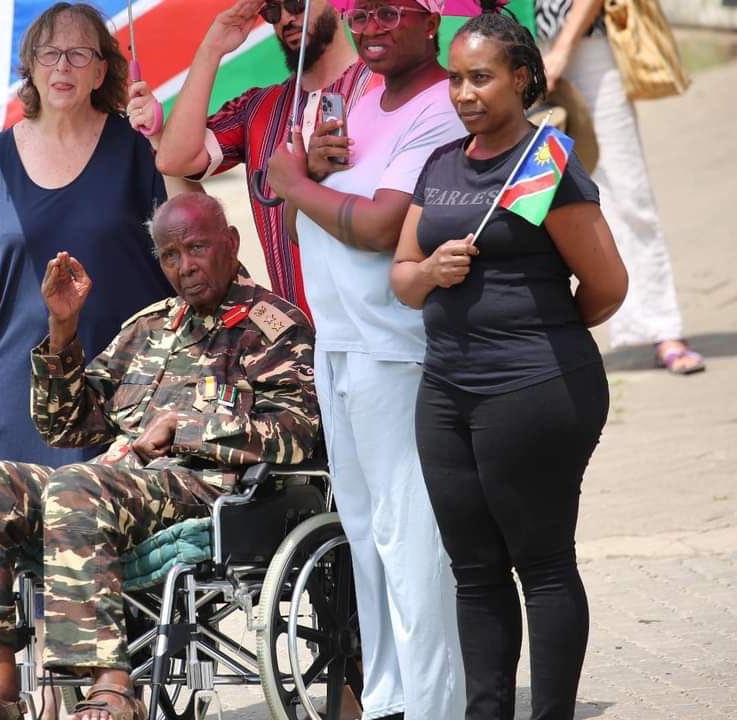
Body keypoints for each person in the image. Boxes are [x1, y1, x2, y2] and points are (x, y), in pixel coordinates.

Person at [0, 192, 321, 720]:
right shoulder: (150, 327)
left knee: (76, 485)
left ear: (231, 243)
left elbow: (299, 432)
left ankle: (111, 687)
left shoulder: (273, 328)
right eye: (171, 256)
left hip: (209, 492)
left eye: (197, 248)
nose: (185, 267)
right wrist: (62, 329)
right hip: (118, 485)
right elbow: (66, 424)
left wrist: (187, 431)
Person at [390, 4, 628, 718]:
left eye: (481, 78)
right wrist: (431, 270)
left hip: (534, 390)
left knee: (543, 565)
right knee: (473, 571)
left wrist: (540, 333)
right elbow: (401, 279)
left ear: (522, 78)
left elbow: (608, 285)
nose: (464, 94)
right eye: (456, 80)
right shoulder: (437, 166)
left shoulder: (545, 164)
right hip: (445, 391)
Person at [265, 1, 467, 718]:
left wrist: (293, 180)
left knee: (407, 536)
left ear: (430, 19)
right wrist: (311, 175)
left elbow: (383, 227)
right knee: (363, 532)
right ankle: (387, 699)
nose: (369, 27)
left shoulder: (443, 103)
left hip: (396, 348)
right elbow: (297, 223)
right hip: (340, 343)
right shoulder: (351, 98)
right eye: (358, 13)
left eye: (389, 11)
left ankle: (435, 706)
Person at [0, 2, 174, 467]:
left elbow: (190, 232)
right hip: (18, 396)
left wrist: (163, 141)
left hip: (131, 387)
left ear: (101, 71)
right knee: (32, 530)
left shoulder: (136, 145)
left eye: (79, 54)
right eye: (49, 54)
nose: (62, 66)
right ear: (30, 68)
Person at [152, 0, 380, 318]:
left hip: (378, 332)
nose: (285, 18)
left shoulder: (384, 89)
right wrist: (212, 48)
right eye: (272, 12)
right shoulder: (258, 107)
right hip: (298, 340)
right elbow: (174, 160)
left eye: (296, 4)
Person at [537, 0, 704, 374]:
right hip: (515, 44)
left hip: (588, 47)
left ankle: (663, 327)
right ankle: (545, 340)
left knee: (627, 188)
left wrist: (562, 49)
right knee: (532, 194)